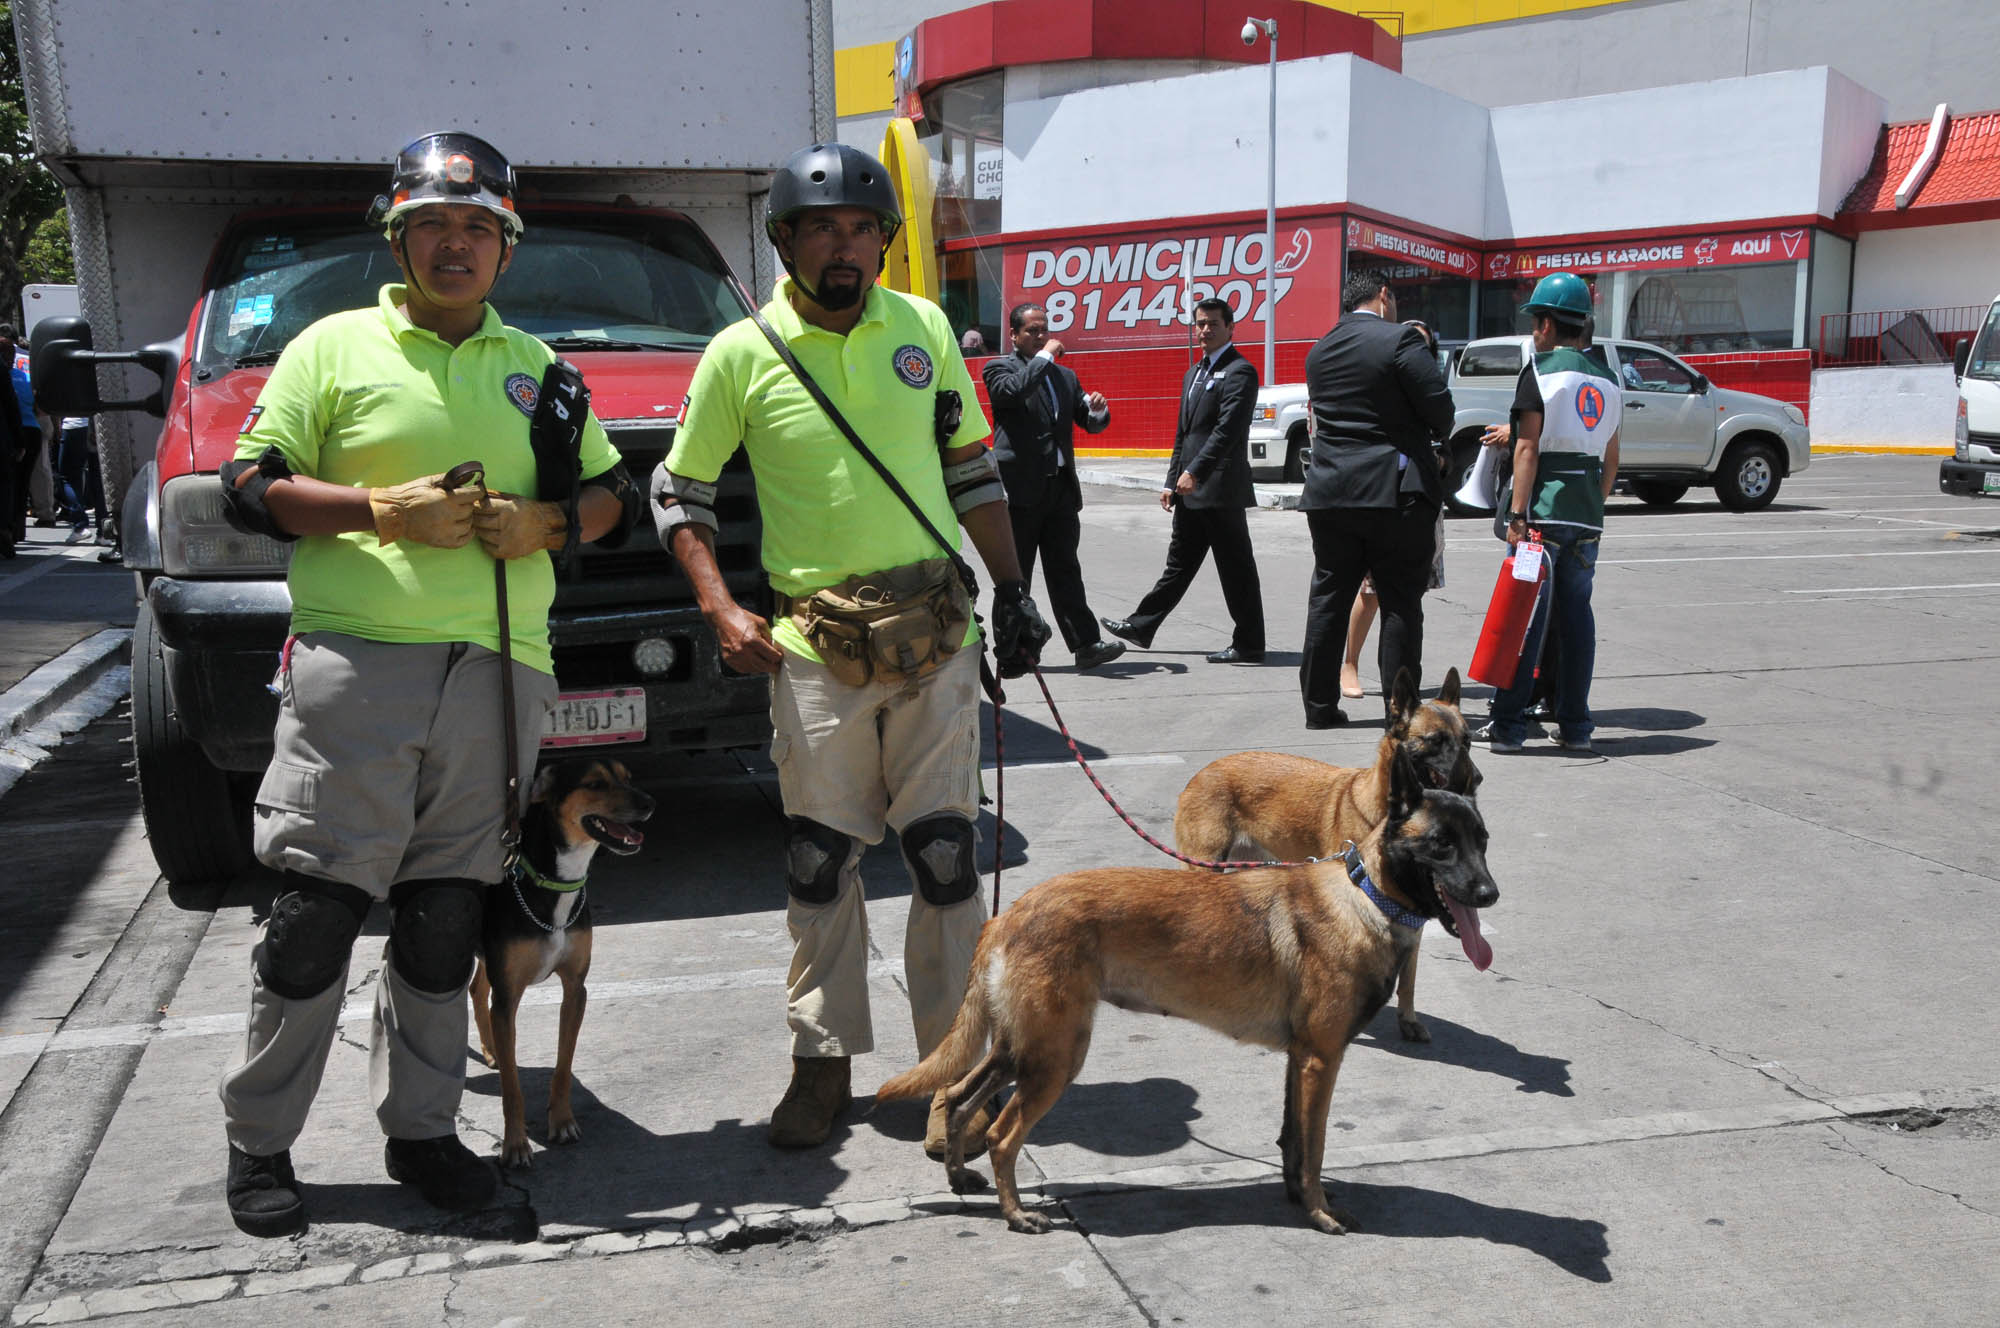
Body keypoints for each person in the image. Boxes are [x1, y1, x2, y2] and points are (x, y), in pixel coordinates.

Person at [212, 131, 639, 1238]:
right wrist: (376, 510)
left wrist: (549, 520)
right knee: (317, 911)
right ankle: (260, 1139)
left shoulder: (542, 370)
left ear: (506, 245)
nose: (455, 244)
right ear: (398, 237)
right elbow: (249, 488)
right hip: (357, 662)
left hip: (502, 670)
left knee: (448, 915)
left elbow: (606, 497)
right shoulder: (331, 347)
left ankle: (423, 1131)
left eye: (477, 227)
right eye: (433, 226)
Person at [649, 143, 1050, 1157]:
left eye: (862, 228)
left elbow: (971, 471)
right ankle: (821, 1061)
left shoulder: (920, 329)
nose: (844, 245)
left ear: (883, 239)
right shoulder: (740, 351)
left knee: (946, 858)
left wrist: (1013, 590)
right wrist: (720, 609)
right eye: (821, 227)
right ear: (783, 240)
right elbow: (678, 495)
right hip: (813, 646)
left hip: (935, 638)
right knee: (819, 862)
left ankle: (951, 1068)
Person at [1296, 271, 1454, 728]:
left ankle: (1319, 706)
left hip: (1329, 493)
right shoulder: (1401, 341)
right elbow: (1440, 410)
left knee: (1328, 597)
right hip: (1393, 493)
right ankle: (1400, 711)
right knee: (1401, 601)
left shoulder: (1319, 350)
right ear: (1384, 295)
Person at [1476, 271, 1620, 753]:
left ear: (1546, 324)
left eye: (1535, 322)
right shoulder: (1607, 377)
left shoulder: (1539, 373)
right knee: (1577, 622)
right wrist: (1595, 502)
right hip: (1587, 517)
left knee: (1527, 621)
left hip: (1542, 513)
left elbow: (1527, 450)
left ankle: (1509, 727)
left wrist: (1518, 515)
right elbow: (1613, 455)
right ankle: (1576, 727)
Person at [1102, 297, 1265, 663]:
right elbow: (1184, 434)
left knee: (1236, 568)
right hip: (1189, 490)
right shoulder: (1194, 373)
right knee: (1178, 564)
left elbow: (1226, 432)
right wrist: (1171, 479)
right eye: (1200, 324)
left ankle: (1250, 643)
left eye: (1213, 324)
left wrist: (1196, 472)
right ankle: (1142, 625)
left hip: (1220, 489)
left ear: (1230, 328)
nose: (1205, 330)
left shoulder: (1241, 371)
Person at [983, 303, 1124, 671]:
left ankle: (1086, 644)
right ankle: (1014, 652)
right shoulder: (998, 369)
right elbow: (1012, 392)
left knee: (1065, 570)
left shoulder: (1065, 378)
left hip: (1060, 490)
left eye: (1044, 330)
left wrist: (1096, 410)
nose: (1040, 336)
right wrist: (1044, 358)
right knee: (1016, 576)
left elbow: (1089, 423)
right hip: (1021, 491)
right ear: (1013, 335)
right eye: (1031, 330)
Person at [1339, 319, 1450, 699]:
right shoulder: (1383, 393)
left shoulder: (1431, 397)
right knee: (1371, 591)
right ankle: (1349, 663)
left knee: (1407, 599)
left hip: (1422, 506)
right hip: (1385, 501)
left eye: (1421, 346)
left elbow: (1446, 443)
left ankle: (1398, 684)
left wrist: (1439, 462)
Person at [1, 326, 42, 542]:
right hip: (28, 431)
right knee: (20, 483)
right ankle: (15, 530)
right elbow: (35, 406)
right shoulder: (22, 375)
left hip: (13, 434)